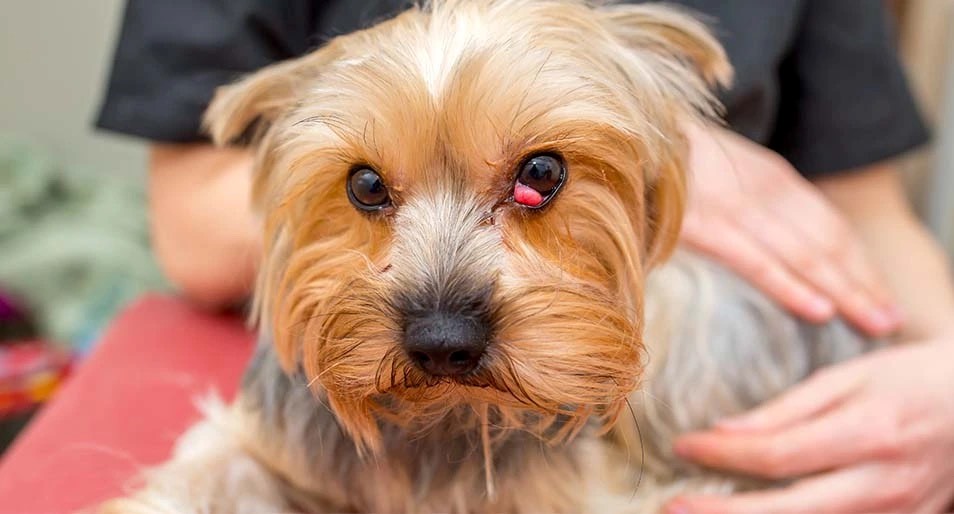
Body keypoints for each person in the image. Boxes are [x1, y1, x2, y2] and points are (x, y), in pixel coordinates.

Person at [96, 1, 954, 511]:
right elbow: (190, 218)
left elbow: (869, 215)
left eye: (536, 180)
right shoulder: (277, 424)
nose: (439, 323)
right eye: (370, 192)